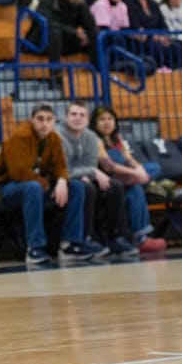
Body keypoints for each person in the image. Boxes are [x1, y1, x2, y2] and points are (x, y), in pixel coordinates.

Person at [0, 104, 104, 265]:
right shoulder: (19, 137)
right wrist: (49, 183)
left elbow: (60, 166)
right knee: (33, 187)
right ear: (32, 120)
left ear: (54, 122)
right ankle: (34, 247)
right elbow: (19, 173)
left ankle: (70, 244)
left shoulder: (53, 138)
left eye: (49, 119)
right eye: (40, 119)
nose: (44, 123)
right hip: (7, 188)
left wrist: (62, 181)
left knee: (77, 186)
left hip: (36, 187)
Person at [57, 101, 138, 258]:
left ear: (87, 120)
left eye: (82, 115)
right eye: (73, 114)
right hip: (62, 181)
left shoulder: (91, 137)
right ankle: (84, 239)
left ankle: (117, 238)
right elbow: (64, 169)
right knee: (85, 187)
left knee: (114, 186)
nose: (77, 118)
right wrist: (90, 172)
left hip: (82, 177)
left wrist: (89, 172)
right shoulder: (58, 136)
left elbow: (90, 164)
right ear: (66, 117)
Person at [90, 106, 167, 253]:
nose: (106, 123)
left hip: (128, 178)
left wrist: (138, 170)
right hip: (112, 181)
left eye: (109, 119)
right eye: (102, 119)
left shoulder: (117, 139)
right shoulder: (96, 140)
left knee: (154, 167)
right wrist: (135, 174)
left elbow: (129, 159)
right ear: (95, 123)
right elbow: (109, 166)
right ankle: (141, 238)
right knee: (136, 187)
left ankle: (143, 181)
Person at [27, 0, 99, 66]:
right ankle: (56, 73)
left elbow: (90, 25)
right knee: (55, 32)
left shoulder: (76, 2)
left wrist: (83, 6)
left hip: (65, 41)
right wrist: (74, 32)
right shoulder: (46, 0)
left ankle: (98, 70)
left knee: (96, 35)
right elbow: (48, 23)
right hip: (41, 40)